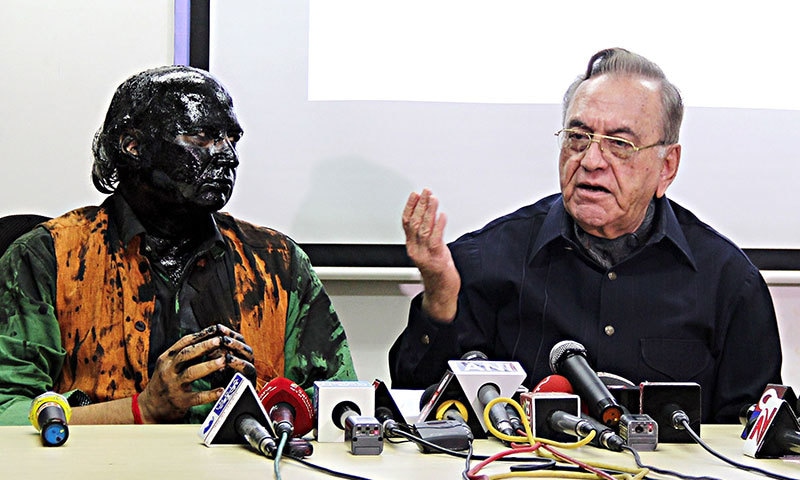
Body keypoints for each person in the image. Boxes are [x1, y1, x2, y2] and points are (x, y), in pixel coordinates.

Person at [389, 48, 782, 423]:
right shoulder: (485, 261)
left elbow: (750, 440)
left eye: (620, 144)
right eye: (578, 137)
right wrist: (440, 297)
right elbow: (416, 398)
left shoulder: (728, 283)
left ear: (667, 166)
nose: (591, 160)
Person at [0, 65, 356, 425]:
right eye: (202, 136)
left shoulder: (277, 263)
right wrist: (142, 409)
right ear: (132, 145)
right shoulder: (49, 258)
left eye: (232, 138)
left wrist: (267, 406)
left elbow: (338, 404)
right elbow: (6, 410)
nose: (228, 156)